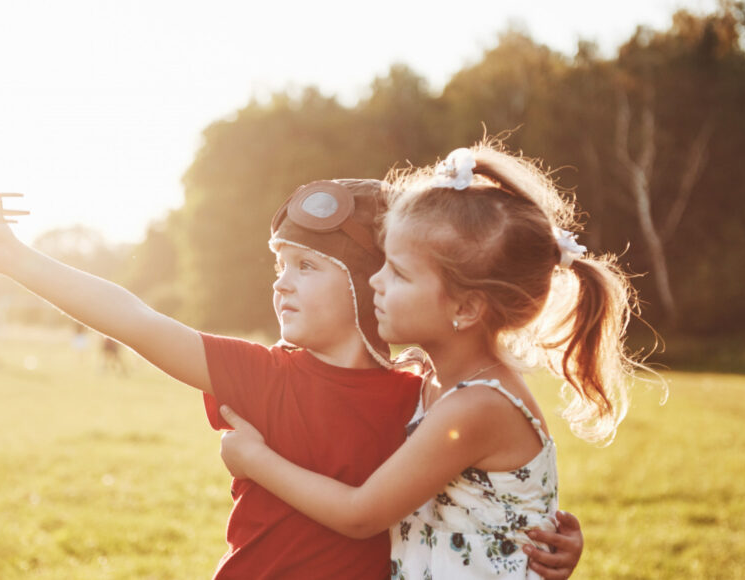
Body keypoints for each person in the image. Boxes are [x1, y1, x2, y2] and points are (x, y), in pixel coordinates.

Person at [0, 175, 581, 579]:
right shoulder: (259, 376)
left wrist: (542, 542)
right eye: (280, 263)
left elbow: (478, 501)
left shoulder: (426, 394)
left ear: (368, 279)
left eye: (306, 265)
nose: (281, 281)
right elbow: (135, 320)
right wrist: (9, 257)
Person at [220, 144, 645, 579]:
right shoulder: (428, 381)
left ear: (466, 309)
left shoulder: (477, 406)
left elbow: (360, 515)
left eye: (399, 273)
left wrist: (254, 460)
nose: (374, 281)